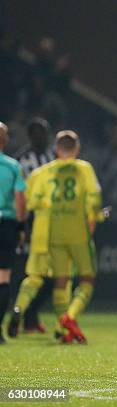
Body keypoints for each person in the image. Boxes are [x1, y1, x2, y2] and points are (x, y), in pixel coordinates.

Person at [8, 130, 104, 343]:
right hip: (78, 231)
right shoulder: (83, 168)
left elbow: (28, 202)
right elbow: (94, 199)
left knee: (56, 279)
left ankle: (29, 313)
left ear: (55, 149)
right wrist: (95, 219)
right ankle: (68, 319)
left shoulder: (41, 173)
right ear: (77, 149)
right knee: (86, 279)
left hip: (50, 234)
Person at [14, 117, 54, 334]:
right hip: (28, 222)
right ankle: (24, 315)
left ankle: (29, 314)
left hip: (50, 223)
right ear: (30, 136)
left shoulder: (53, 156)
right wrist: (23, 226)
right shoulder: (22, 159)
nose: (44, 137)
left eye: (46, 133)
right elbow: (18, 195)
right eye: (39, 133)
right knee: (26, 273)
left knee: (50, 276)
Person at [0, 122, 27, 344]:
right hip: (5, 224)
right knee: (4, 277)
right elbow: (20, 200)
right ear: (5, 140)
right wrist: (20, 227)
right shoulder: (12, 166)